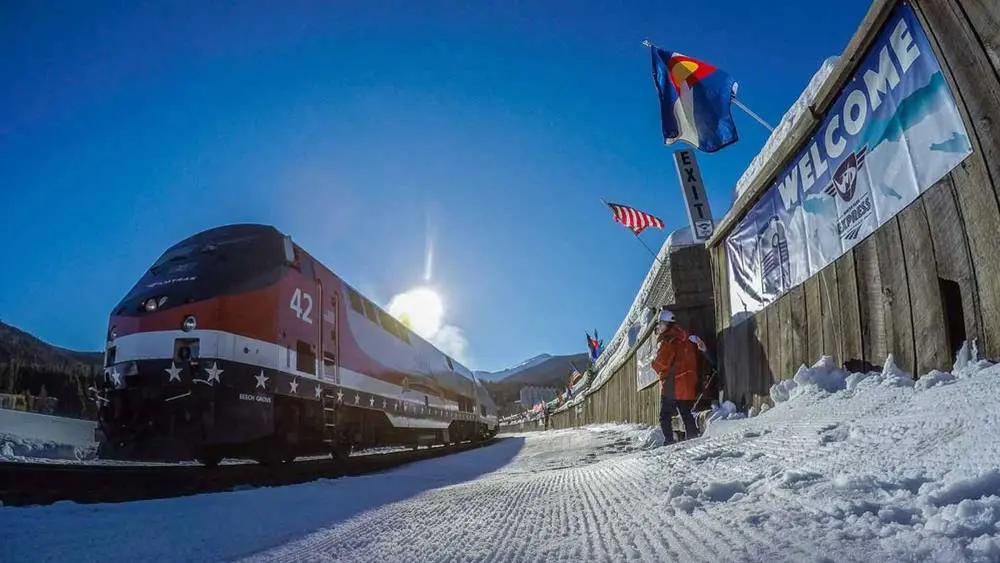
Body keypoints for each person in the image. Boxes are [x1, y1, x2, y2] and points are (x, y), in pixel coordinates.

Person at [651, 309, 700, 444]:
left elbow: (660, 364)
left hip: (671, 384)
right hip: (686, 382)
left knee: (664, 416)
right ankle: (693, 438)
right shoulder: (684, 337)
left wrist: (653, 362)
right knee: (685, 412)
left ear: (667, 324)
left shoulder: (668, 340)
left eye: (661, 323)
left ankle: (669, 441)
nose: (660, 327)